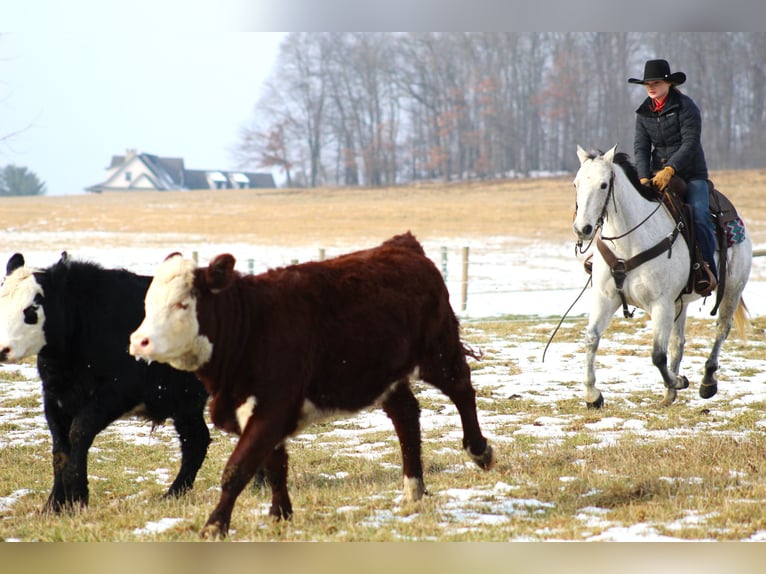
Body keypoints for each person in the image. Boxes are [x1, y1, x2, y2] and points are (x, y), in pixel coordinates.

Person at [629, 58, 717, 294]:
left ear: (668, 84)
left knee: (699, 216)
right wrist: (643, 178)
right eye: (647, 83)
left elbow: (690, 143)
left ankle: (708, 271)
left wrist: (672, 169)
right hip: (657, 175)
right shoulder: (643, 113)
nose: (650, 87)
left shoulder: (686, 107)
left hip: (692, 175)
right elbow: (640, 147)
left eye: (655, 82)